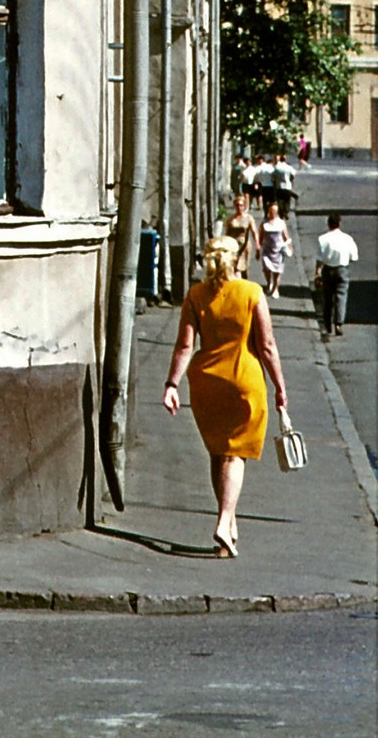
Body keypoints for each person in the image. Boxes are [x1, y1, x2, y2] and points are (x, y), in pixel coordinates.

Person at [164, 236, 287, 558]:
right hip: (243, 380)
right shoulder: (251, 293)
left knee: (218, 454)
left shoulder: (196, 295)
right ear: (237, 259)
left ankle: (228, 532)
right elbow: (267, 347)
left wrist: (171, 384)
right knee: (234, 456)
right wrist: (280, 387)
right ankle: (224, 521)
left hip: (205, 382)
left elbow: (184, 346)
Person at [314, 213, 360, 338]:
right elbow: (354, 257)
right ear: (339, 224)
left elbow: (319, 259)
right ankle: (338, 323)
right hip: (342, 270)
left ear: (328, 224)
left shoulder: (322, 239)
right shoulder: (347, 239)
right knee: (341, 297)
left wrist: (317, 273)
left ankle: (327, 324)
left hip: (328, 270)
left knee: (327, 298)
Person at [258, 200, 293, 297]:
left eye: (274, 211)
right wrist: (258, 248)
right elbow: (260, 237)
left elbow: (286, 236)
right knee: (266, 269)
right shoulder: (264, 223)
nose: (272, 213)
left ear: (277, 212)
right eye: (270, 211)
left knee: (277, 271)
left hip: (278, 251)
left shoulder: (281, 223)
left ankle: (275, 289)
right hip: (267, 250)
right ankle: (269, 283)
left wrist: (290, 247)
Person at [224, 192, 260, 277]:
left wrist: (257, 245)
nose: (239, 207)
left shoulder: (248, 218)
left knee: (244, 267)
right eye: (237, 205)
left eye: (241, 205)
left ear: (244, 206)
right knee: (236, 267)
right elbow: (227, 233)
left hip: (245, 244)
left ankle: (244, 282)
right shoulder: (230, 219)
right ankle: (239, 284)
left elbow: (254, 232)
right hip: (233, 245)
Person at [272, 151, 298, 220]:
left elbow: (273, 176)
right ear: (285, 160)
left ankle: (281, 213)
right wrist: (291, 179)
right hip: (287, 186)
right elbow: (294, 174)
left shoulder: (277, 167)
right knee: (287, 200)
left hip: (279, 186)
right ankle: (286, 211)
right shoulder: (288, 167)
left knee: (280, 200)